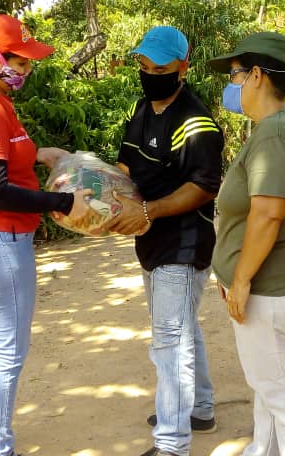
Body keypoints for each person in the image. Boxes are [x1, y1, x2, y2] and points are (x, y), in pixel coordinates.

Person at [0, 14, 92, 456]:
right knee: (8, 352)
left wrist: (39, 153)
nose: (27, 69)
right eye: (21, 62)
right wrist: (64, 202)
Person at [208, 32, 285, 456]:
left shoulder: (275, 134)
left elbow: (268, 214)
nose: (232, 85)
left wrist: (241, 280)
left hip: (273, 286)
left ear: (256, 75)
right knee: (270, 384)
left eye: (235, 75)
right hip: (273, 282)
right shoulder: (274, 128)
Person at [108, 26, 224, 456]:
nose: (150, 75)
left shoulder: (196, 122)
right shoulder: (140, 110)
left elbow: (204, 186)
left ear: (183, 68)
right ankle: (200, 409)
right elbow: (125, 165)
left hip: (184, 243)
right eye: (144, 66)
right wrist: (101, 197)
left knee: (170, 341)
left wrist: (149, 211)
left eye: (160, 69)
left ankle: (172, 443)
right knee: (181, 329)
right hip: (150, 241)